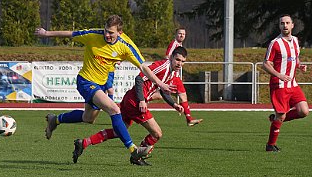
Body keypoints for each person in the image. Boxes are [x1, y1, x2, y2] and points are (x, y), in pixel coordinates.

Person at [34, 15, 172, 164]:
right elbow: (71, 33)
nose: (107, 35)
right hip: (85, 81)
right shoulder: (93, 35)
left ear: (120, 32)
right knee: (114, 109)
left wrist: (160, 83)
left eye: (111, 32)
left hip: (100, 85)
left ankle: (56, 120)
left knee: (88, 118)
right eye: (106, 31)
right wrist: (46, 33)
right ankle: (133, 150)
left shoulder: (126, 45)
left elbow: (144, 67)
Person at [72, 46, 189, 166]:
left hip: (130, 100)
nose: (180, 63)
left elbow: (163, 91)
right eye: (177, 60)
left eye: (183, 61)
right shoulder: (162, 66)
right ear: (171, 57)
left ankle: (84, 142)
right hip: (135, 102)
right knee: (157, 133)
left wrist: (174, 104)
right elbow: (139, 78)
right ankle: (136, 157)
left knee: (119, 131)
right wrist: (142, 100)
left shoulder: (172, 73)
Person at [262, 14, 309, 152]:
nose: (285, 25)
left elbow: (295, 58)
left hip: (292, 84)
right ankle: (270, 145)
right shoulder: (275, 43)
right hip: (279, 85)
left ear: (292, 25)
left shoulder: (295, 40)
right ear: (279, 26)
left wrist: (299, 66)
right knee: (282, 115)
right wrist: (279, 75)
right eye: (282, 23)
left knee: (304, 111)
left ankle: (276, 118)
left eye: (287, 23)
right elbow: (266, 64)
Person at [153, 27, 202, 126]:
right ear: (176, 34)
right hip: (171, 74)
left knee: (181, 94)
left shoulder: (179, 45)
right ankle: (141, 99)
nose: (181, 35)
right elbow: (167, 57)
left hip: (175, 74)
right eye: (180, 33)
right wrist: (170, 71)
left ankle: (189, 118)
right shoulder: (174, 44)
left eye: (183, 34)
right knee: (160, 93)